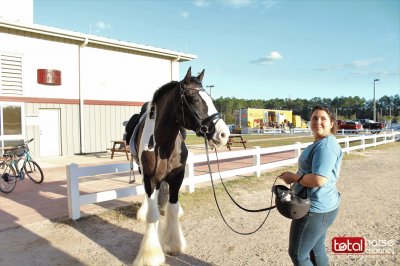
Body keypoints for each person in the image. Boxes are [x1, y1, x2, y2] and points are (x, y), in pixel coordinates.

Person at [279, 105, 343, 266]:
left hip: (314, 209)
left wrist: (294, 177)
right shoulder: (322, 142)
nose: (318, 122)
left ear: (331, 123)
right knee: (316, 249)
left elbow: (319, 179)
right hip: (324, 207)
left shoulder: (326, 146)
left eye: (323, 118)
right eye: (314, 118)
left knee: (298, 254)